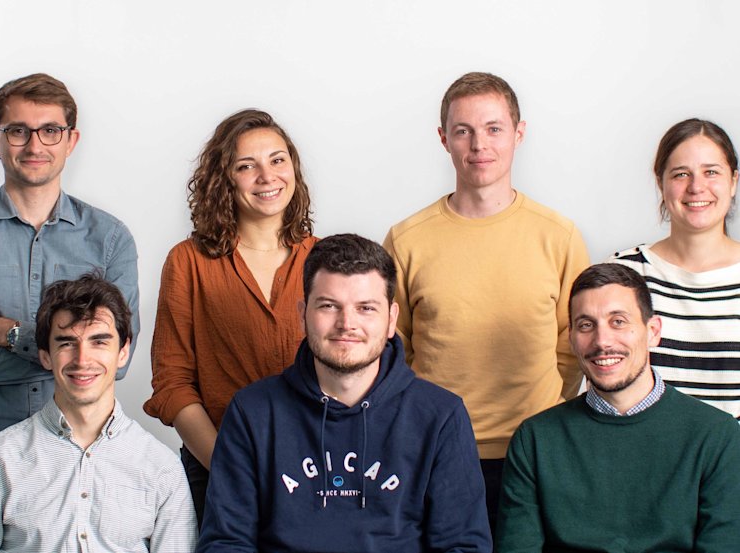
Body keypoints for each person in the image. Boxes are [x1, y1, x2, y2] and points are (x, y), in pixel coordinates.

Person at [383, 71, 589, 533]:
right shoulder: (406, 240)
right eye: (464, 130)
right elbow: (394, 345)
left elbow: (574, 340)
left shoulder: (558, 236)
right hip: (434, 449)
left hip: (535, 450)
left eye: (494, 128)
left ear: (519, 133)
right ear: (444, 139)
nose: (479, 144)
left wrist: (545, 409)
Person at [198, 234, 492, 553]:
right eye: (328, 306)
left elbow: (463, 546)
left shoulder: (441, 416)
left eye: (366, 308)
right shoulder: (252, 412)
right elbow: (225, 543)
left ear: (391, 319)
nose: (346, 323)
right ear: (302, 315)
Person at [143, 108, 317, 524]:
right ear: (224, 178)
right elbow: (172, 382)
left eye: (277, 160)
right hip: (217, 469)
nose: (267, 176)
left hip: (315, 467)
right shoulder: (187, 262)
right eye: (246, 166)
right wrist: (230, 467)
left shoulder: (323, 260)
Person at [495, 263, 740, 552]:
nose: (602, 341)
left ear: (653, 331)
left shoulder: (717, 436)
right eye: (586, 325)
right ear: (571, 339)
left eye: (618, 321)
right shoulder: (535, 439)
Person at [0, 274, 196, 552]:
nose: (82, 360)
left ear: (123, 352)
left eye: (99, 342)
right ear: (45, 355)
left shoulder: (162, 467)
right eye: (66, 343)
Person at [0, 73, 139, 436]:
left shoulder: (110, 239)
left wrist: (7, 333)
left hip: (77, 447)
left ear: (71, 140)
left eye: (50, 131)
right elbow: (94, 361)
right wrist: (70, 352)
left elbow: (117, 362)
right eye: (18, 131)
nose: (35, 146)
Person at [610, 119, 740, 420]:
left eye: (711, 172)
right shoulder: (623, 275)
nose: (696, 187)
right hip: (647, 450)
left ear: (733, 181)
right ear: (661, 183)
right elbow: (604, 387)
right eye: (681, 174)